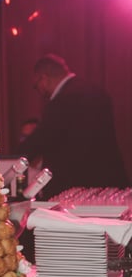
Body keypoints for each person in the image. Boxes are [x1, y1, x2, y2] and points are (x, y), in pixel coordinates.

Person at [18, 53, 129, 199]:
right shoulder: (98, 92)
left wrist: (14, 159)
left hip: (75, 186)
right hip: (109, 180)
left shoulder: (61, 101)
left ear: (43, 78)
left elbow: (41, 139)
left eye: (36, 85)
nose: (38, 89)